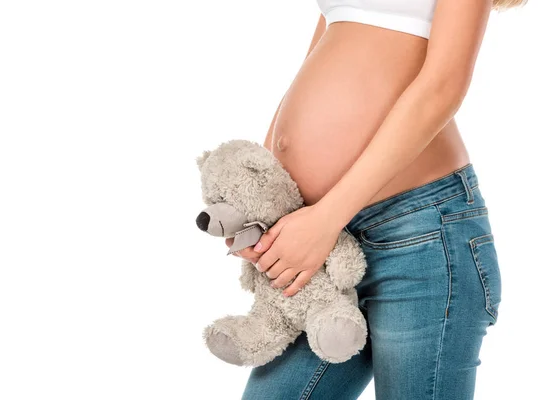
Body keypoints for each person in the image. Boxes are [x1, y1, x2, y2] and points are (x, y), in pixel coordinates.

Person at [224, 0, 525, 398]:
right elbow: (319, 58)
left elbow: (442, 87)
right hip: (327, 241)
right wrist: (268, 199)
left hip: (420, 234)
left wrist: (326, 220)